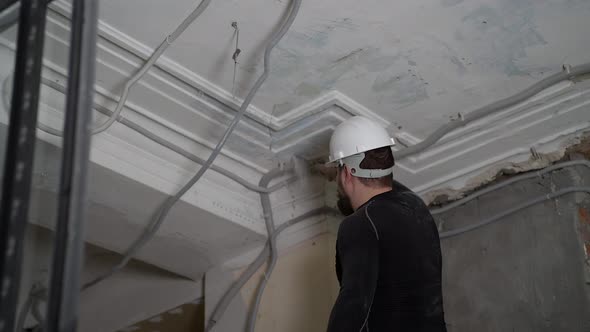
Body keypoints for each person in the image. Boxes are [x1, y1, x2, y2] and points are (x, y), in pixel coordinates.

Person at [326, 116, 447, 332]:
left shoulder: (360, 224)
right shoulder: (414, 205)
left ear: (345, 173)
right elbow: (380, 193)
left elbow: (353, 305)